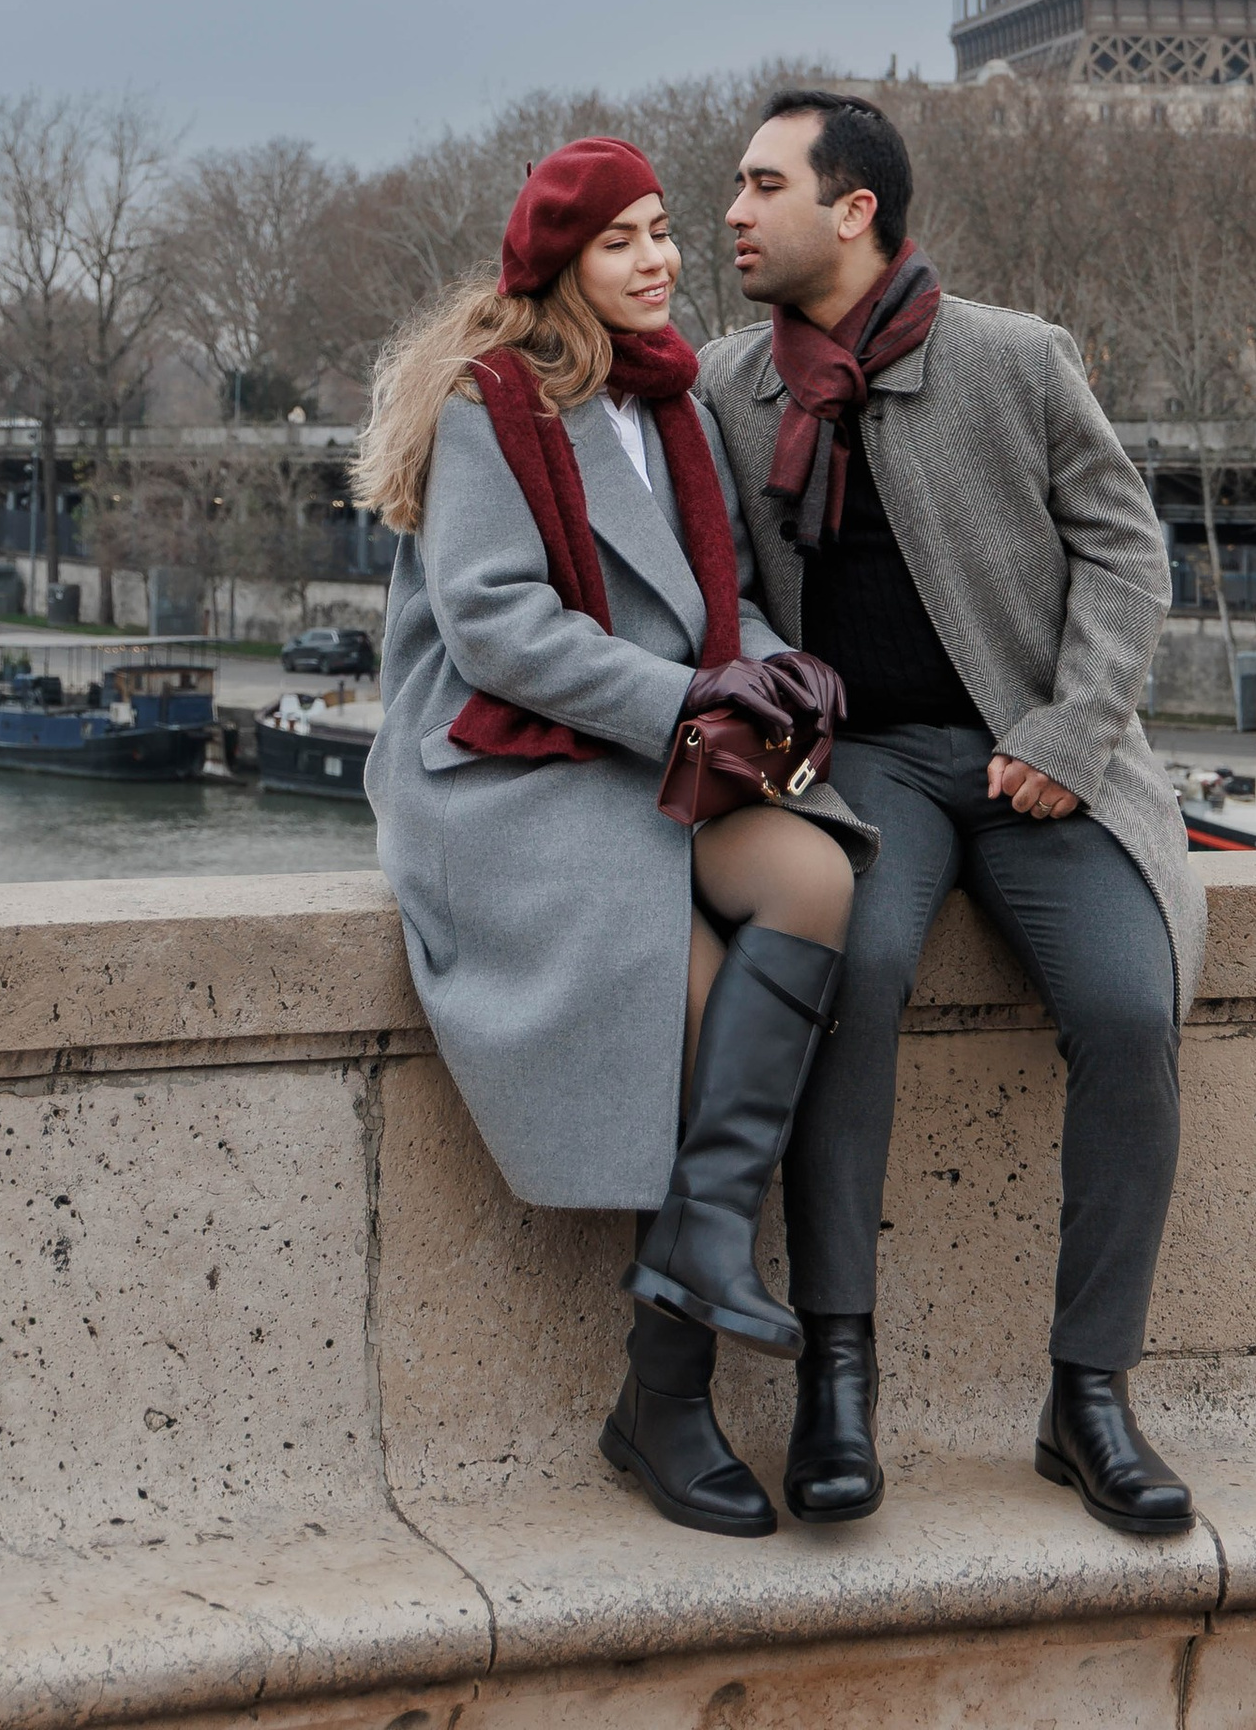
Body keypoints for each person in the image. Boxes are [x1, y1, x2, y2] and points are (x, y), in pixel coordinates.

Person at [697, 89, 1207, 1540]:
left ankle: (1089, 1395)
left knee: (1127, 1009)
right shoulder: (729, 387)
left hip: (1035, 756)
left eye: (759, 185)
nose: (730, 212)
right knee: (849, 976)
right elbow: (720, 578)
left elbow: (1125, 554)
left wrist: (1071, 727)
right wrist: (774, 691)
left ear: (852, 210)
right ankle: (836, 1380)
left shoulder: (1013, 358)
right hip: (866, 763)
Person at [361, 136, 872, 1540]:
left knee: (819, 874)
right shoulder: (492, 405)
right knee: (693, 1003)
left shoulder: (677, 405)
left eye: (663, 233)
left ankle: (696, 1258)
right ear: (560, 268)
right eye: (624, 243)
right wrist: (700, 696)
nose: (660, 262)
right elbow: (497, 631)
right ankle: (667, 1391)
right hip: (514, 764)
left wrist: (769, 675)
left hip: (648, 743)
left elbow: (720, 607)